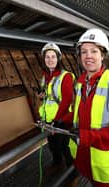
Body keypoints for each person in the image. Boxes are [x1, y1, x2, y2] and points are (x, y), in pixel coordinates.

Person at [68, 28, 109, 187]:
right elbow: (80, 115)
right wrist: (59, 123)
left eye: (94, 51)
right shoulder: (81, 84)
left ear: (103, 54)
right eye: (84, 52)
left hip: (107, 168)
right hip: (87, 161)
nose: (88, 56)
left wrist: (86, 137)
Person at [37, 42, 75, 175]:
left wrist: (57, 119)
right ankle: (57, 163)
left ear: (58, 58)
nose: (50, 60)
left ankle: (72, 174)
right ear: (44, 59)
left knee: (65, 146)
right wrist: (41, 96)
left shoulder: (66, 76)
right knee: (52, 144)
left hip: (61, 120)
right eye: (47, 57)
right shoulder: (45, 76)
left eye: (53, 56)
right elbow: (48, 95)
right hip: (48, 118)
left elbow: (66, 100)